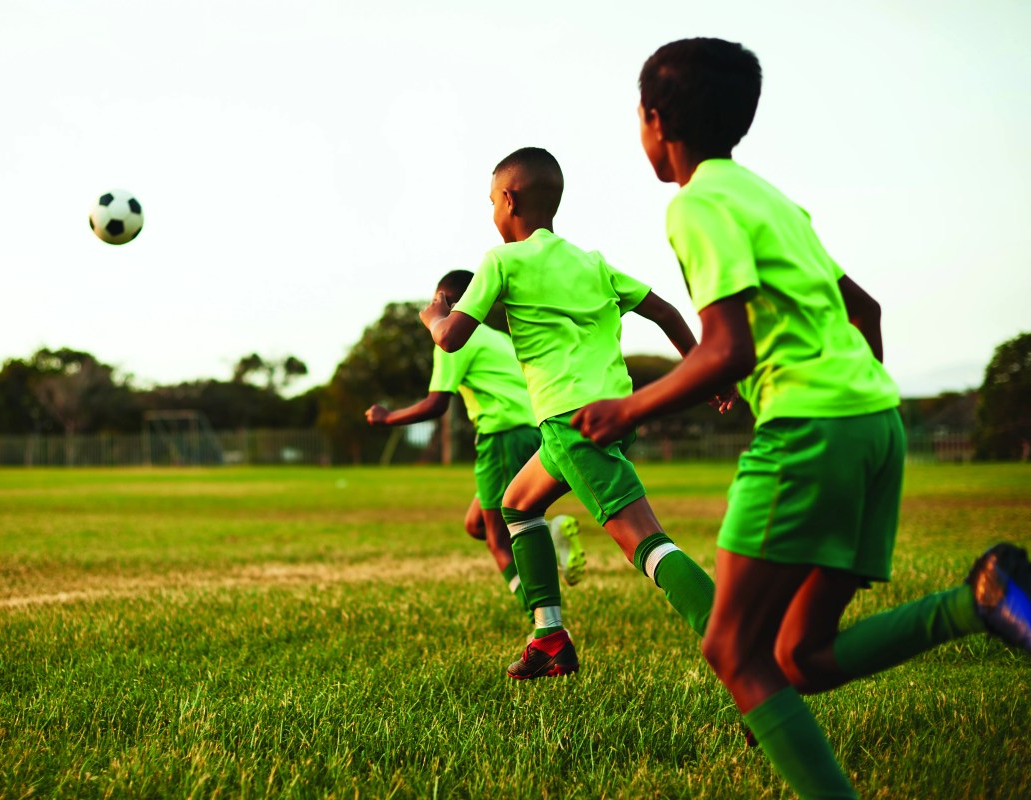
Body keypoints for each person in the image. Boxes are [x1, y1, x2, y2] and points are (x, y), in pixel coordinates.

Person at [571, 36, 1031, 799]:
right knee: (801, 659)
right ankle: (980, 598)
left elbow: (726, 350)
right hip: (875, 425)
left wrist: (630, 408)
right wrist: (857, 401)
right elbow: (864, 307)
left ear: (655, 120)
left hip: (811, 429)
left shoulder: (695, 205)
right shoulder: (770, 198)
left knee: (730, 649)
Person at [420, 147, 720, 680]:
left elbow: (451, 339)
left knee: (646, 541)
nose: (492, 211)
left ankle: (741, 643)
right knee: (517, 504)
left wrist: (435, 315)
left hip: (571, 421)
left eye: (492, 200)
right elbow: (665, 311)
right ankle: (550, 637)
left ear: (508, 200)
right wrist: (703, 365)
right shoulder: (592, 262)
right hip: (607, 416)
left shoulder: (500, 261)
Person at [366, 270, 586, 637]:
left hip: (502, 437)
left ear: (445, 301)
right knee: (476, 524)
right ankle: (552, 534)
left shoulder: (454, 339)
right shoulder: (498, 337)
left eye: (436, 300)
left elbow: (437, 404)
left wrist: (388, 418)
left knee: (499, 537)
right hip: (533, 432)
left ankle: (544, 628)